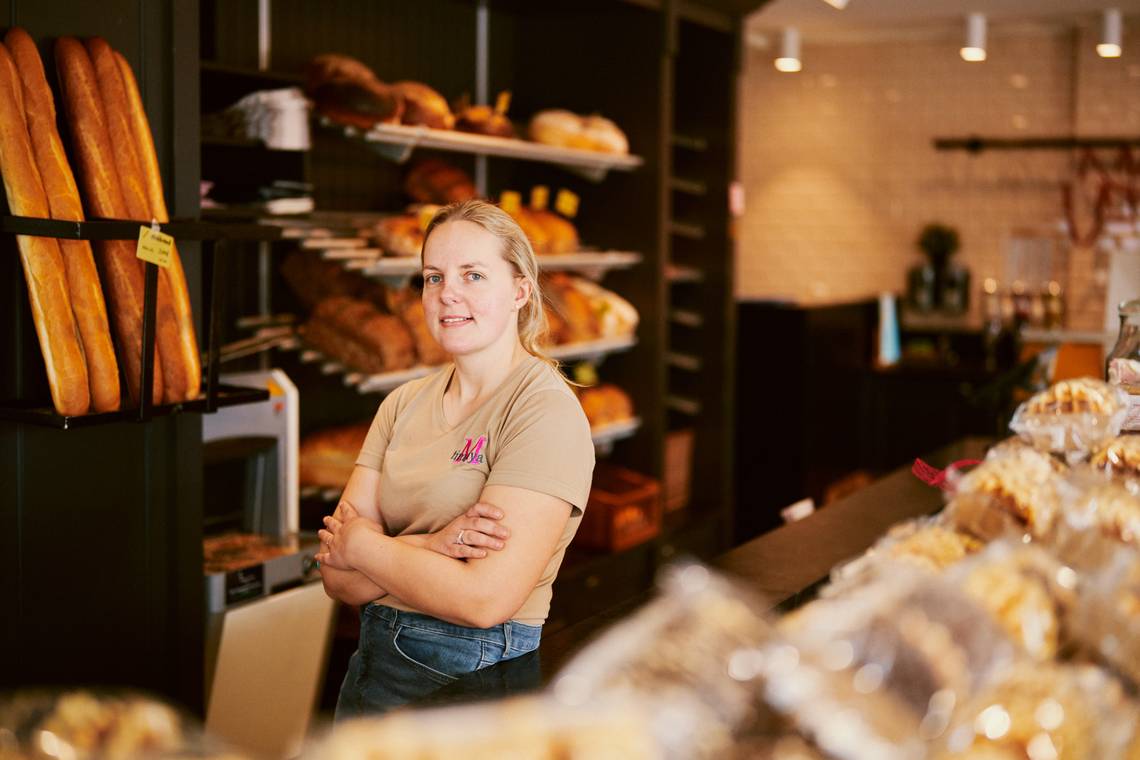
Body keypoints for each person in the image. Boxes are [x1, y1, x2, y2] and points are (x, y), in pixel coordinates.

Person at [317, 199, 595, 719]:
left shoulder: (543, 411)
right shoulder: (401, 404)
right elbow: (336, 580)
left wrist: (362, 543)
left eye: (473, 275)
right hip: (369, 678)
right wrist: (433, 544)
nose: (449, 295)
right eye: (432, 277)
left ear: (520, 290)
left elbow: (484, 600)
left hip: (472, 688)